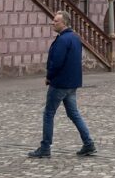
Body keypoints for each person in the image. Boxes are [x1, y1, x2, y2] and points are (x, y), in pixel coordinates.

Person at [28, 10, 96, 159]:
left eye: (56, 21)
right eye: (53, 20)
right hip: (72, 84)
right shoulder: (75, 38)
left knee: (48, 114)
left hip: (60, 83)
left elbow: (56, 62)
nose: (53, 23)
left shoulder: (62, 40)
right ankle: (88, 143)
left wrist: (49, 77)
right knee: (74, 114)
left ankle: (45, 147)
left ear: (64, 23)